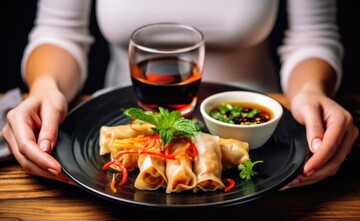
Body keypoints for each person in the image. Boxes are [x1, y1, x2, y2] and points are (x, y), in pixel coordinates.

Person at [2, 0, 358, 188]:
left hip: (262, 125)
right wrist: (46, 86)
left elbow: (313, 34)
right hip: (124, 108)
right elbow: (59, 32)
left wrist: (312, 90)